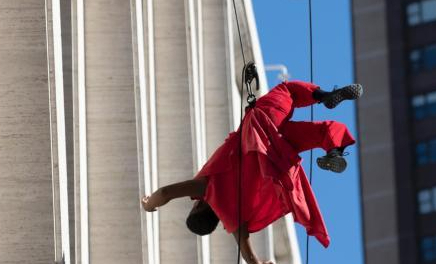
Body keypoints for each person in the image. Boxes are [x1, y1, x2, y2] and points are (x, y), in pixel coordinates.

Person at [141, 81, 362, 264]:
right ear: (198, 206)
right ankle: (324, 96)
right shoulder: (207, 187)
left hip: (279, 152)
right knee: (287, 90)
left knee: (322, 131)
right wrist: (149, 204)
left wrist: (259, 263)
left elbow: (247, 252)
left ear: (216, 221)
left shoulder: (234, 218)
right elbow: (166, 192)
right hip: (261, 125)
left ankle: (335, 152)